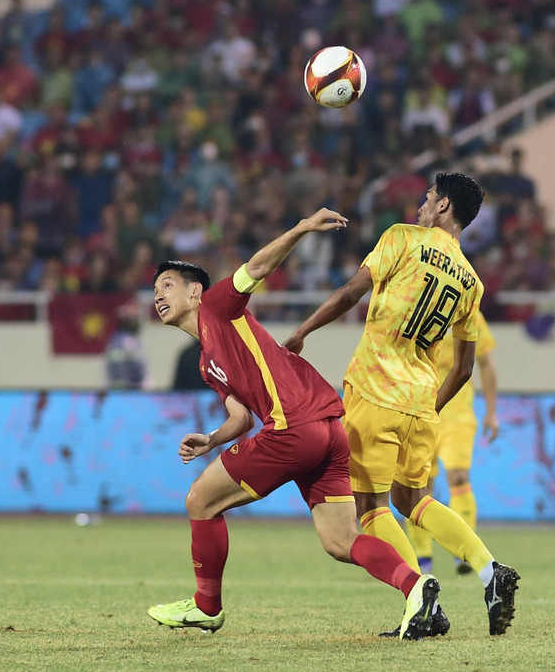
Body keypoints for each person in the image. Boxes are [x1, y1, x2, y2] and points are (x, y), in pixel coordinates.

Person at [147, 208, 442, 641]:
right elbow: (240, 417)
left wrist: (302, 228)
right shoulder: (208, 361)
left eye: (167, 285)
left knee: (200, 501)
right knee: (340, 540)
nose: (157, 294)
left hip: (294, 427)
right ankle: (415, 588)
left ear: (194, 292)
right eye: (154, 289)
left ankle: (207, 607)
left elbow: (260, 266)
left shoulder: (218, 305)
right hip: (327, 430)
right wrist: (211, 439)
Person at [284, 172, 520, 637]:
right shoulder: (471, 282)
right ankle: (489, 570)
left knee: (370, 507)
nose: (420, 205)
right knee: (411, 498)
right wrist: (430, 406)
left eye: (428, 198)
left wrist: (302, 331)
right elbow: (465, 367)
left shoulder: (402, 240)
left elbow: (352, 293)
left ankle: (421, 599)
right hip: (420, 404)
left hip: (373, 393)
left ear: (445, 206)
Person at [404, 311, 499, 575]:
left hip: (457, 415)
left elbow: (486, 364)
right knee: (418, 487)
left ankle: (463, 554)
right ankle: (423, 558)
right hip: (421, 411)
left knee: (458, 476)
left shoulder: (471, 316)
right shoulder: (418, 309)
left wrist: (492, 411)